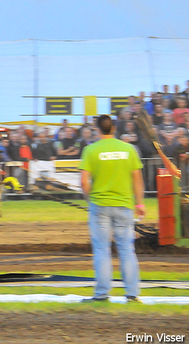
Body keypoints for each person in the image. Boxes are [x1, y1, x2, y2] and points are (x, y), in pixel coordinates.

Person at [79, 115, 145, 303]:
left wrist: (90, 199)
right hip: (124, 205)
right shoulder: (128, 149)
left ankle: (102, 294)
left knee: (102, 250)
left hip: (100, 205)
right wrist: (139, 204)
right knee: (126, 249)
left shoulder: (90, 150)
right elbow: (137, 179)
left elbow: (84, 182)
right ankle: (132, 294)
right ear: (114, 128)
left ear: (97, 129)